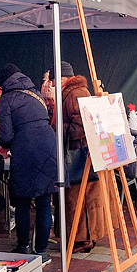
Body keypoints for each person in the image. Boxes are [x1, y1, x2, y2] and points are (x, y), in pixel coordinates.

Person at [0, 63, 58, 259]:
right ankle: (41, 251)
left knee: (22, 201)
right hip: (48, 145)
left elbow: (5, 136)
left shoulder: (6, 99)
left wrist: (5, 146)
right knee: (44, 201)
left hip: (25, 149)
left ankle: (23, 247)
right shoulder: (36, 94)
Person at [47, 61, 101, 253]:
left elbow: (81, 125)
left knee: (76, 197)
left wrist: (58, 129)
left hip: (77, 153)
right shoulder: (75, 92)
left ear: (62, 78)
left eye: (53, 80)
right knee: (82, 196)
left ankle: (82, 239)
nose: (52, 84)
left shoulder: (75, 94)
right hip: (81, 152)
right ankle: (86, 237)